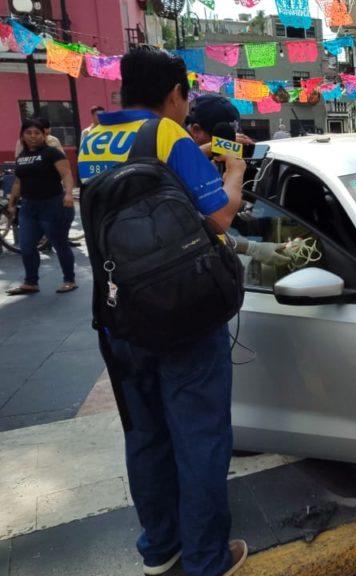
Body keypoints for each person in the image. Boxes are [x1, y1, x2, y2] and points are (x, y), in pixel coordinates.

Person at [77, 46, 247, 576]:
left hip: (120, 314)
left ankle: (160, 547)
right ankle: (206, 559)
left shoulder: (91, 139)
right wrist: (236, 171)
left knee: (145, 434)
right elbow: (219, 216)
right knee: (200, 438)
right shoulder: (168, 135)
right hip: (182, 316)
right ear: (175, 93)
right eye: (184, 96)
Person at [186, 94, 288, 266]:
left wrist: (244, 206)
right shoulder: (174, 153)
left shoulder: (214, 159)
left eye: (232, 137)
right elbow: (204, 229)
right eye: (223, 140)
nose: (229, 147)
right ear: (196, 131)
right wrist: (251, 248)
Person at [4, 118, 77, 295]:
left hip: (52, 205)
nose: (33, 136)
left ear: (43, 135)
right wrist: (12, 203)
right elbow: (18, 182)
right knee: (27, 246)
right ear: (22, 135)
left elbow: (66, 174)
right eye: (28, 133)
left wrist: (68, 193)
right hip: (29, 207)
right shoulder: (22, 157)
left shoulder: (52, 153)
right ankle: (31, 283)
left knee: (60, 244)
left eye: (37, 133)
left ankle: (69, 280)